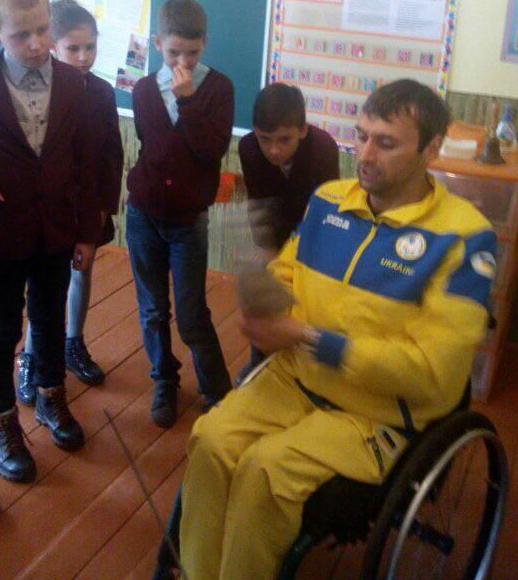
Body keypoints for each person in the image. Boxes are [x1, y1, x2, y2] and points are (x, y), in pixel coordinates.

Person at [178, 79, 497, 580]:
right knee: (210, 440)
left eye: (385, 143)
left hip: (376, 411)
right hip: (295, 378)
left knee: (266, 470)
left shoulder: (463, 237)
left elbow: (432, 373)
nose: (365, 155)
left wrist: (309, 339)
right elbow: (287, 272)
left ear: (431, 149)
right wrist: (264, 292)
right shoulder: (329, 200)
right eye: (361, 136)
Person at [0, 0, 100, 483]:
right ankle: (0, 422)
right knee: (1, 330)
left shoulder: (75, 84)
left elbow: (86, 163)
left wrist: (87, 231)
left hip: (56, 230)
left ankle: (51, 397)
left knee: (50, 318)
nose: (36, 44)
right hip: (1, 234)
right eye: (21, 35)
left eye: (42, 30)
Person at [126, 0, 233, 429]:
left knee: (191, 313)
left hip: (188, 221)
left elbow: (212, 149)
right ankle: (164, 380)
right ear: (157, 45)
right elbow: (149, 145)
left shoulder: (218, 88)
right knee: (152, 309)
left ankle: (218, 392)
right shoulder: (142, 90)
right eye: (173, 53)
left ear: (204, 43)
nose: (183, 62)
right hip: (143, 214)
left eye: (192, 52)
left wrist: (187, 103)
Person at [17, 0, 124, 403]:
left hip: (87, 203)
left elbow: (112, 153)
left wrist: (103, 207)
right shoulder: (39, 91)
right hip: (48, 205)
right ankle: (31, 356)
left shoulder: (102, 92)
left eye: (90, 47)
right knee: (44, 285)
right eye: (73, 48)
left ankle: (73, 343)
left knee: (82, 272)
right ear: (52, 45)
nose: (83, 57)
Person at [236, 82, 339, 382]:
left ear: (302, 130)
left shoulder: (323, 148)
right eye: (264, 139)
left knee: (306, 309)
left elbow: (325, 212)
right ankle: (260, 364)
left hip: (315, 239)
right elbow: (260, 203)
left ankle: (303, 374)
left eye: (284, 139)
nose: (273, 150)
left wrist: (297, 260)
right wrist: (268, 254)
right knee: (263, 303)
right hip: (275, 234)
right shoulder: (248, 148)